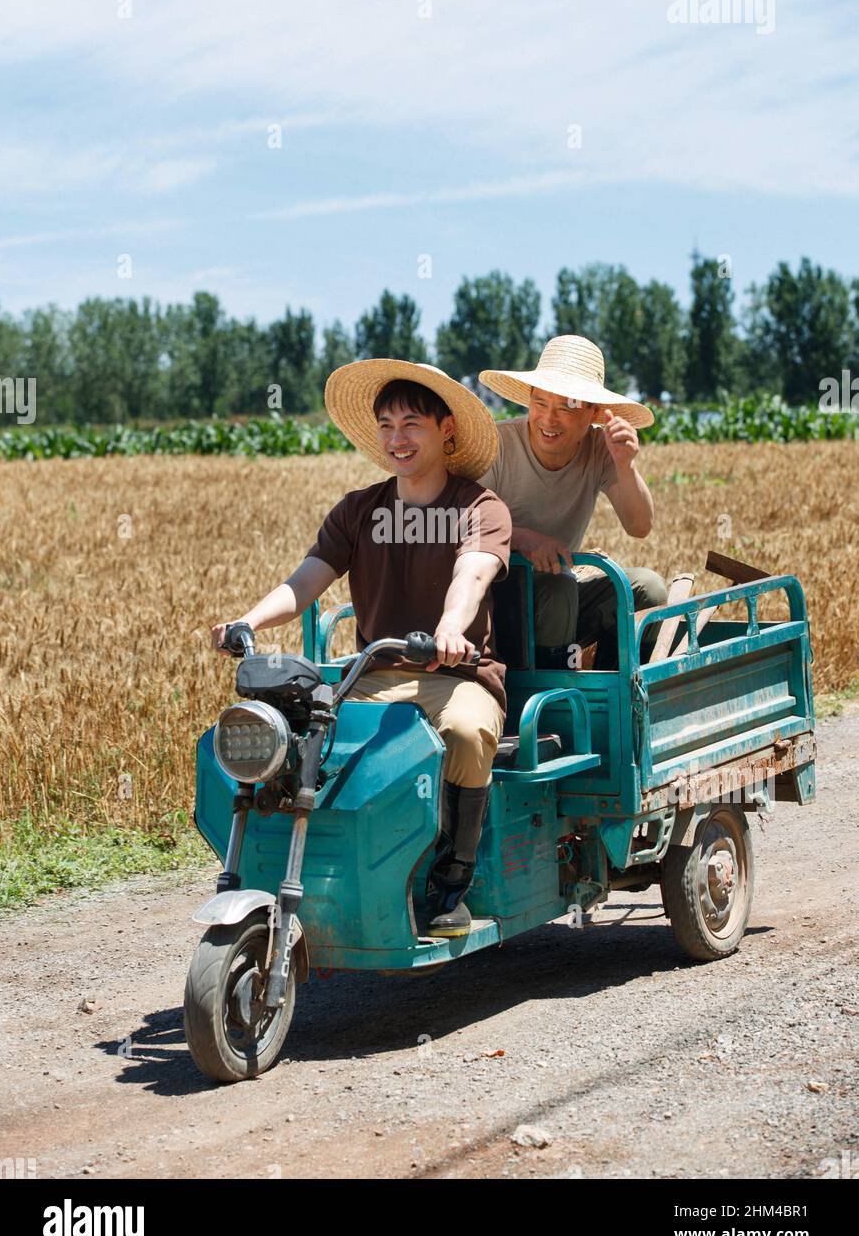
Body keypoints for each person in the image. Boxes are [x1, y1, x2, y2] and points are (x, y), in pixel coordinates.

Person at [212, 360, 511, 939]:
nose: (397, 439)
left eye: (412, 424)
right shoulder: (358, 510)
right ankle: (305, 873)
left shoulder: (480, 506)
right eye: (386, 425)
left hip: (456, 674)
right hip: (368, 674)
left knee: (470, 734)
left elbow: (470, 577)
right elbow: (303, 584)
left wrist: (451, 628)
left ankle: (450, 883)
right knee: (293, 736)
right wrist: (245, 619)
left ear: (446, 429)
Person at [478, 334, 667, 669]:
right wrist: (524, 539)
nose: (549, 420)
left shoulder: (599, 449)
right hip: (493, 602)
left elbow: (639, 526)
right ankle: (553, 701)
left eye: (567, 407)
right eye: (541, 404)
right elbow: (461, 523)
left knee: (646, 589)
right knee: (559, 587)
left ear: (593, 413)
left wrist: (626, 464)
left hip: (560, 593)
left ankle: (615, 699)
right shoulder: (497, 445)